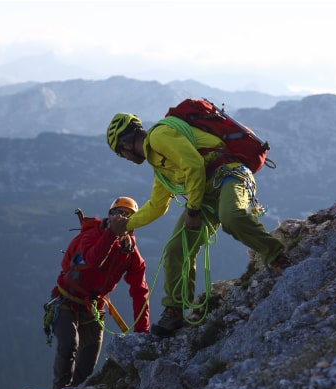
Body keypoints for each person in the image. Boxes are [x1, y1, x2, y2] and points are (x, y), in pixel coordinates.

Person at [105, 113, 290, 338]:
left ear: (125, 143)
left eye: (120, 152)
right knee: (176, 250)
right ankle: (175, 310)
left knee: (231, 217)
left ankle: (278, 257)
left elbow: (193, 164)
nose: (123, 157)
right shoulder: (160, 167)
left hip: (231, 174)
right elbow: (156, 205)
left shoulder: (159, 137)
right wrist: (125, 225)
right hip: (206, 194)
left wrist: (193, 209)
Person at [47, 197, 150, 389]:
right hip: (66, 300)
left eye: (128, 216)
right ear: (110, 215)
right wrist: (112, 234)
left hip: (93, 306)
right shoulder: (91, 236)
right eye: (118, 213)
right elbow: (94, 260)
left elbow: (140, 290)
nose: (122, 218)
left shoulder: (131, 254)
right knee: (69, 345)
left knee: (87, 362)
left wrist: (142, 332)